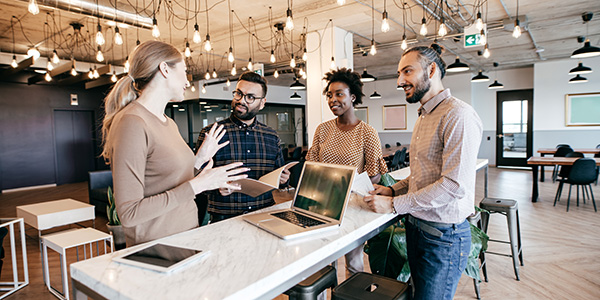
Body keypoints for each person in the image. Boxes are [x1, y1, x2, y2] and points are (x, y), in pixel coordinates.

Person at [364, 44, 483, 300]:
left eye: (407, 71)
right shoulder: (424, 116)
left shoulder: (458, 114)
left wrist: (394, 204)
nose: (399, 81)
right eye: (399, 73)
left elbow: (453, 185)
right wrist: (392, 189)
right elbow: (423, 174)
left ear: (431, 70)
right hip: (418, 229)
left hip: (443, 237)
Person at [101, 40, 248, 247]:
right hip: (158, 248)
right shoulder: (132, 122)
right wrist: (199, 184)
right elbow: (129, 213)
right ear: (164, 69)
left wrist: (201, 160)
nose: (188, 81)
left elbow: (170, 181)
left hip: (185, 237)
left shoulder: (167, 122)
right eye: (184, 71)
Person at [306, 68, 388, 274]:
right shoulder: (323, 129)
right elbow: (312, 165)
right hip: (322, 203)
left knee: (353, 262)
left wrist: (344, 183)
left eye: (339, 94)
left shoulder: (367, 132)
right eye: (329, 95)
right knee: (322, 262)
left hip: (353, 204)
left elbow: (374, 174)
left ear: (352, 97)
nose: (333, 99)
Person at [195, 72, 289, 222]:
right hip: (224, 219)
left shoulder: (272, 136)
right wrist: (216, 187)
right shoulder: (211, 133)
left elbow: (277, 176)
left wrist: (283, 179)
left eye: (250, 97)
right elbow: (195, 178)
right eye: (238, 94)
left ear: (262, 103)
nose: (241, 101)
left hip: (264, 215)